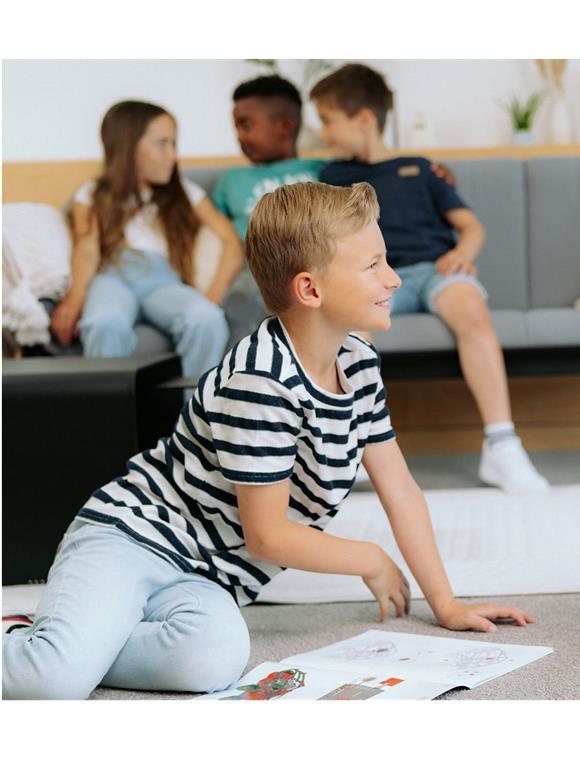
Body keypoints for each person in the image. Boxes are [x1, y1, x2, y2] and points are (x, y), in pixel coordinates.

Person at [3, 181, 534, 700]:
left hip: (205, 578)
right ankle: (59, 644)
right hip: (131, 537)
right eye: (373, 265)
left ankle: (75, 636)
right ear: (310, 290)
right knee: (53, 681)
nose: (393, 279)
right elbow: (268, 536)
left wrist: (446, 604)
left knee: (212, 660)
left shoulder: (358, 361)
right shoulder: (260, 380)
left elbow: (400, 487)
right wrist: (370, 557)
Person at [310, 62, 549, 495]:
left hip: (436, 271)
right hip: (376, 276)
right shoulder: (333, 178)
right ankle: (356, 439)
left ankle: (502, 445)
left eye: (327, 120)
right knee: (354, 325)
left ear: (364, 118)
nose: (322, 133)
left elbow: (472, 227)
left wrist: (461, 254)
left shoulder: (421, 169)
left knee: (472, 310)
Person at [213, 74, 457, 356]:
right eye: (236, 127)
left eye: (245, 125)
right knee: (246, 295)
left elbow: (382, 182)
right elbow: (214, 232)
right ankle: (250, 375)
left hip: (317, 264)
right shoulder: (231, 180)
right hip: (261, 268)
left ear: (285, 126)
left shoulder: (330, 170)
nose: (239, 136)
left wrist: (437, 175)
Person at [50, 100, 242, 379]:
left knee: (207, 319)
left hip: (163, 282)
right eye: (162, 144)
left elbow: (231, 243)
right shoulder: (92, 193)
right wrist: (73, 300)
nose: (172, 155)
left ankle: (193, 417)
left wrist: (211, 299)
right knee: (104, 323)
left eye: (174, 144)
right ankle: (109, 417)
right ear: (128, 147)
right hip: (111, 278)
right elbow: (86, 247)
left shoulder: (184, 191)